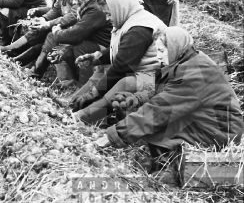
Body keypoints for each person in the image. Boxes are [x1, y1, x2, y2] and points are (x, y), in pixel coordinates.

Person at [95, 27, 243, 181]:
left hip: (220, 131)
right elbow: (168, 92)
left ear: (173, 48)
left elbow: (160, 110)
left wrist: (115, 135)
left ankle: (171, 166)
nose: (158, 57)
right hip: (207, 120)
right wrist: (138, 98)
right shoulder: (187, 59)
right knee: (151, 122)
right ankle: (163, 159)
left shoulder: (195, 73)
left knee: (157, 125)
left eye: (161, 51)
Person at [72, 0, 167, 124]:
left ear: (118, 9)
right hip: (138, 70)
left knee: (125, 83)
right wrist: (95, 57)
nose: (107, 18)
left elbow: (121, 67)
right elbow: (119, 52)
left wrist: (95, 93)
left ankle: (84, 117)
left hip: (156, 78)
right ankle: (72, 104)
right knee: (101, 70)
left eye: (108, 14)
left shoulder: (139, 29)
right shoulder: (127, 19)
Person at [29, 0, 113, 81]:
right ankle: (40, 72)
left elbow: (76, 34)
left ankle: (82, 85)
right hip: (91, 39)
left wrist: (57, 32)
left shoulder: (95, 7)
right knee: (61, 47)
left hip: (103, 44)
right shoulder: (88, 1)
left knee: (79, 48)